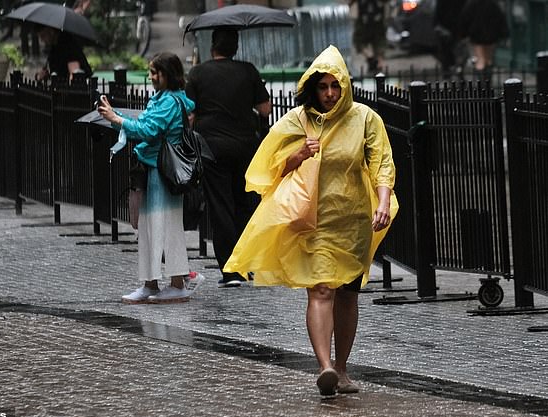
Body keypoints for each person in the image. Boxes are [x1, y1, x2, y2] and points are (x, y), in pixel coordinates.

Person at [224, 45, 398, 396]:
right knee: (320, 289)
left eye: (336, 86)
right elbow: (267, 168)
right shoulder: (297, 121)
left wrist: (382, 202)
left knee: (348, 294)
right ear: (312, 88)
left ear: (346, 85)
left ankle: (343, 369)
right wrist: (298, 153)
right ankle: (325, 367)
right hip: (313, 220)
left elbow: (382, 164)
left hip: (354, 220)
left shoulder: (365, 118)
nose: (330, 94)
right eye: (323, 87)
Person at [98, 52, 202, 304]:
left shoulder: (168, 102)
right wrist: (116, 119)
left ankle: (170, 283)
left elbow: (147, 130)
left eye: (156, 72)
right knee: (152, 228)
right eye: (151, 72)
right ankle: (154, 283)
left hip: (161, 172)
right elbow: (144, 126)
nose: (152, 77)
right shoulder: (164, 99)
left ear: (169, 74)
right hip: (156, 171)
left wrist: (116, 119)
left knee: (161, 228)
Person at [185, 28, 272, 288]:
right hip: (245, 146)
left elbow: (189, 115)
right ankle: (247, 264)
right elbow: (265, 108)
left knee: (220, 206)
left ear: (213, 46)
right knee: (244, 204)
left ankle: (231, 270)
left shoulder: (198, 73)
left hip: (211, 147)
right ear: (235, 47)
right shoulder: (248, 70)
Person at [458, 0, 509, 76]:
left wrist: (464, 34)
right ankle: (487, 79)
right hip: (491, 37)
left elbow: (464, 20)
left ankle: (482, 81)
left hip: (477, 36)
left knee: (480, 60)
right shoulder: (492, 4)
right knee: (488, 60)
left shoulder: (472, 4)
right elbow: (500, 19)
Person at [350, 0, 389, 73]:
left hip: (374, 18)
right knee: (375, 41)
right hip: (365, 18)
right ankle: (373, 60)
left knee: (378, 41)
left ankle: (376, 61)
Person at [433, 0, 468, 78]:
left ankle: (452, 73)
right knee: (454, 55)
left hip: (451, 31)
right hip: (454, 31)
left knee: (451, 55)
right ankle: (455, 73)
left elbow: (437, 16)